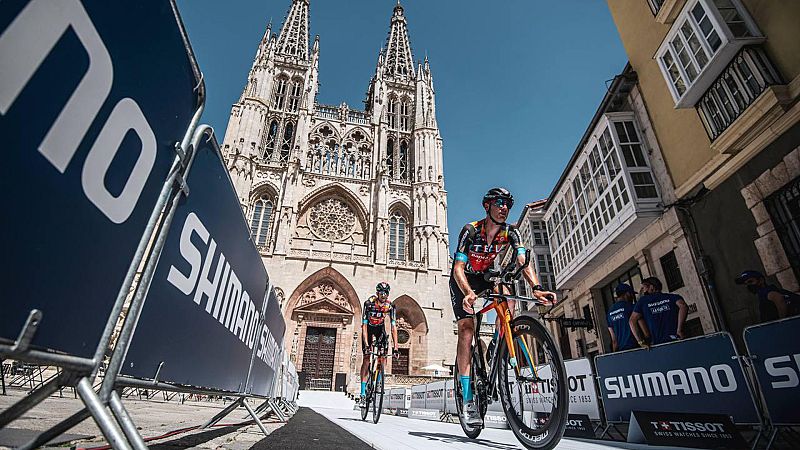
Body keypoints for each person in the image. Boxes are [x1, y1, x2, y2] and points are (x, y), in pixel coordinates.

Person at [451, 187, 556, 426]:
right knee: (466, 329)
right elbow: (458, 268)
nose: (504, 208)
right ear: (487, 206)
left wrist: (537, 288)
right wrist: (468, 293)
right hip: (464, 280)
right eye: (499, 202)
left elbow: (522, 260)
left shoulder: (510, 232)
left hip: (486, 276)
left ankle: (497, 344)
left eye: (508, 204)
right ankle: (467, 399)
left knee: (508, 297)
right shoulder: (471, 230)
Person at [357, 282, 398, 408]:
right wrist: (366, 344)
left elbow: (393, 327)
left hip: (380, 329)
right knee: (366, 359)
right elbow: (364, 326)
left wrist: (396, 347)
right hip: (368, 329)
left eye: (386, 293)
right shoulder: (368, 304)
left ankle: (379, 380)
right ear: (377, 293)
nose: (383, 295)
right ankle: (362, 393)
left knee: (383, 355)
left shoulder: (390, 306)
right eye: (381, 293)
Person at [629, 277, 688, 347]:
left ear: (651, 287)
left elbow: (632, 321)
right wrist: (679, 330)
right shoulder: (672, 297)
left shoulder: (643, 301)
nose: (643, 291)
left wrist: (641, 342)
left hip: (657, 345)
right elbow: (683, 306)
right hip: (676, 340)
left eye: (644, 287)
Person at [734, 269, 800, 322]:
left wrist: (782, 322)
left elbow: (779, 300)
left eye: (750, 281)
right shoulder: (768, 292)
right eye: (746, 284)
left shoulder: (766, 291)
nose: (749, 285)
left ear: (761, 280)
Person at [607, 283, 638, 352]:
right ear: (627, 293)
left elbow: (614, 340)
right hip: (636, 347)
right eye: (632, 294)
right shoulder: (632, 307)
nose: (633, 297)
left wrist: (615, 354)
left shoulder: (609, 312)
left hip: (622, 351)